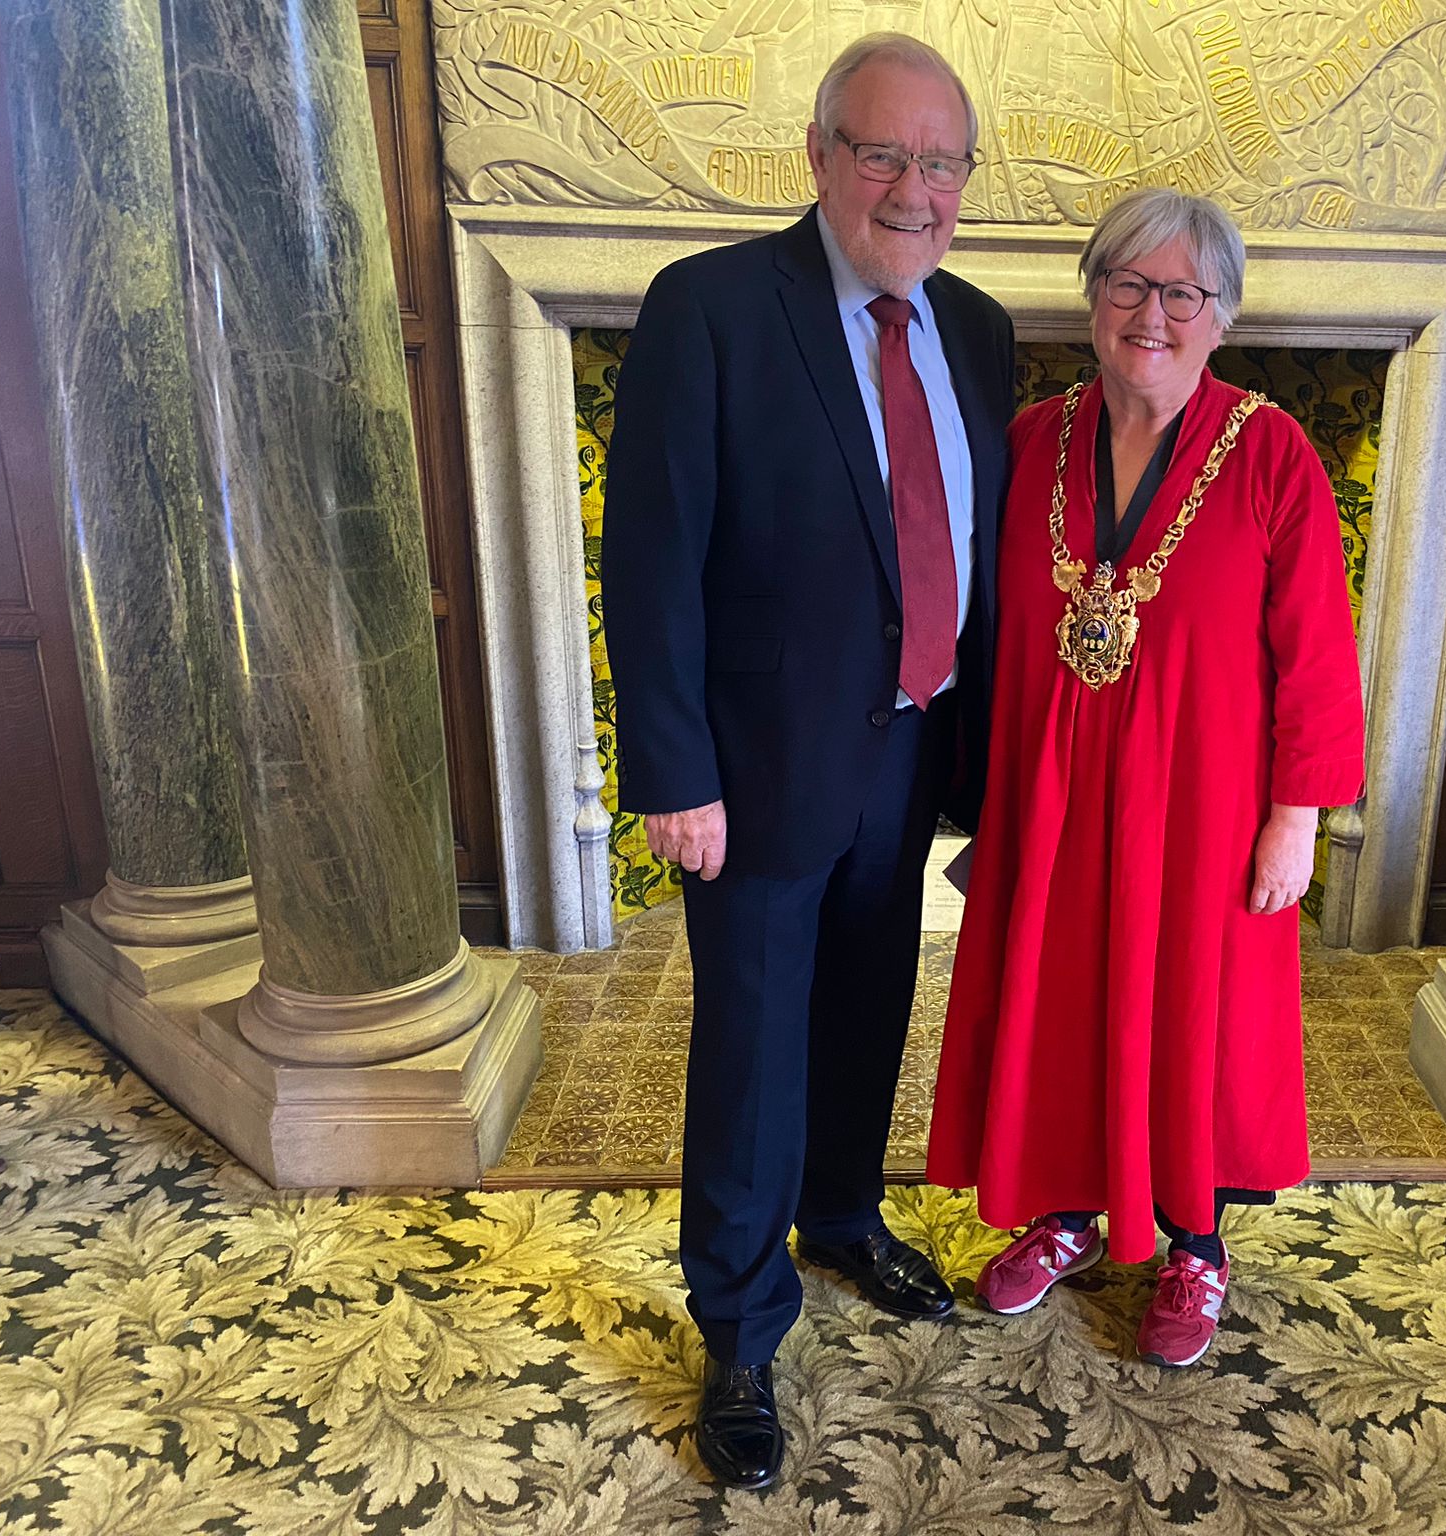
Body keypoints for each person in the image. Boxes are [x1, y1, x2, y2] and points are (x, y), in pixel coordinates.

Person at [600, 33, 1014, 1490]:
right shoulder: (710, 307)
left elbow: (978, 553)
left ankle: (841, 1215)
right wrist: (671, 771)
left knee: (869, 1004)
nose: (916, 188)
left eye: (942, 161)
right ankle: (740, 1322)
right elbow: (650, 557)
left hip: (910, 745)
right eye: (885, 154)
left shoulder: (973, 327)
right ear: (824, 157)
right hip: (758, 765)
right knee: (753, 1047)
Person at [926, 188, 1365, 1370]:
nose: (1151, 315)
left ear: (1220, 316)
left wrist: (1295, 820)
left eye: (1183, 293)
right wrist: (970, 802)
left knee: (1194, 1020)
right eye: (1127, 285)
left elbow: (1316, 654)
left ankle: (1194, 1246)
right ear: (1091, 298)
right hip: (1055, 803)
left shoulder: (1270, 452)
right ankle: (1070, 1215)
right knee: (1063, 999)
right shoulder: (1028, 441)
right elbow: (976, 632)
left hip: (1204, 810)